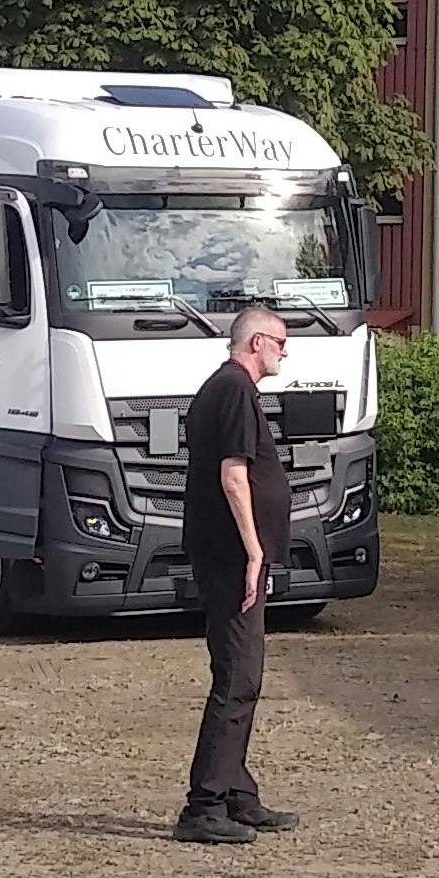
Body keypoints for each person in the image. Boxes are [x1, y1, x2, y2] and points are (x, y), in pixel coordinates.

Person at [176, 305, 299, 847]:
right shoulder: (233, 390)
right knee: (237, 678)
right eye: (280, 341)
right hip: (230, 557)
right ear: (255, 342)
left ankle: (235, 793)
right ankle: (204, 805)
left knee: (243, 673)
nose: (285, 351)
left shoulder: (229, 389)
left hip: (229, 555)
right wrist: (253, 551)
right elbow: (233, 476)